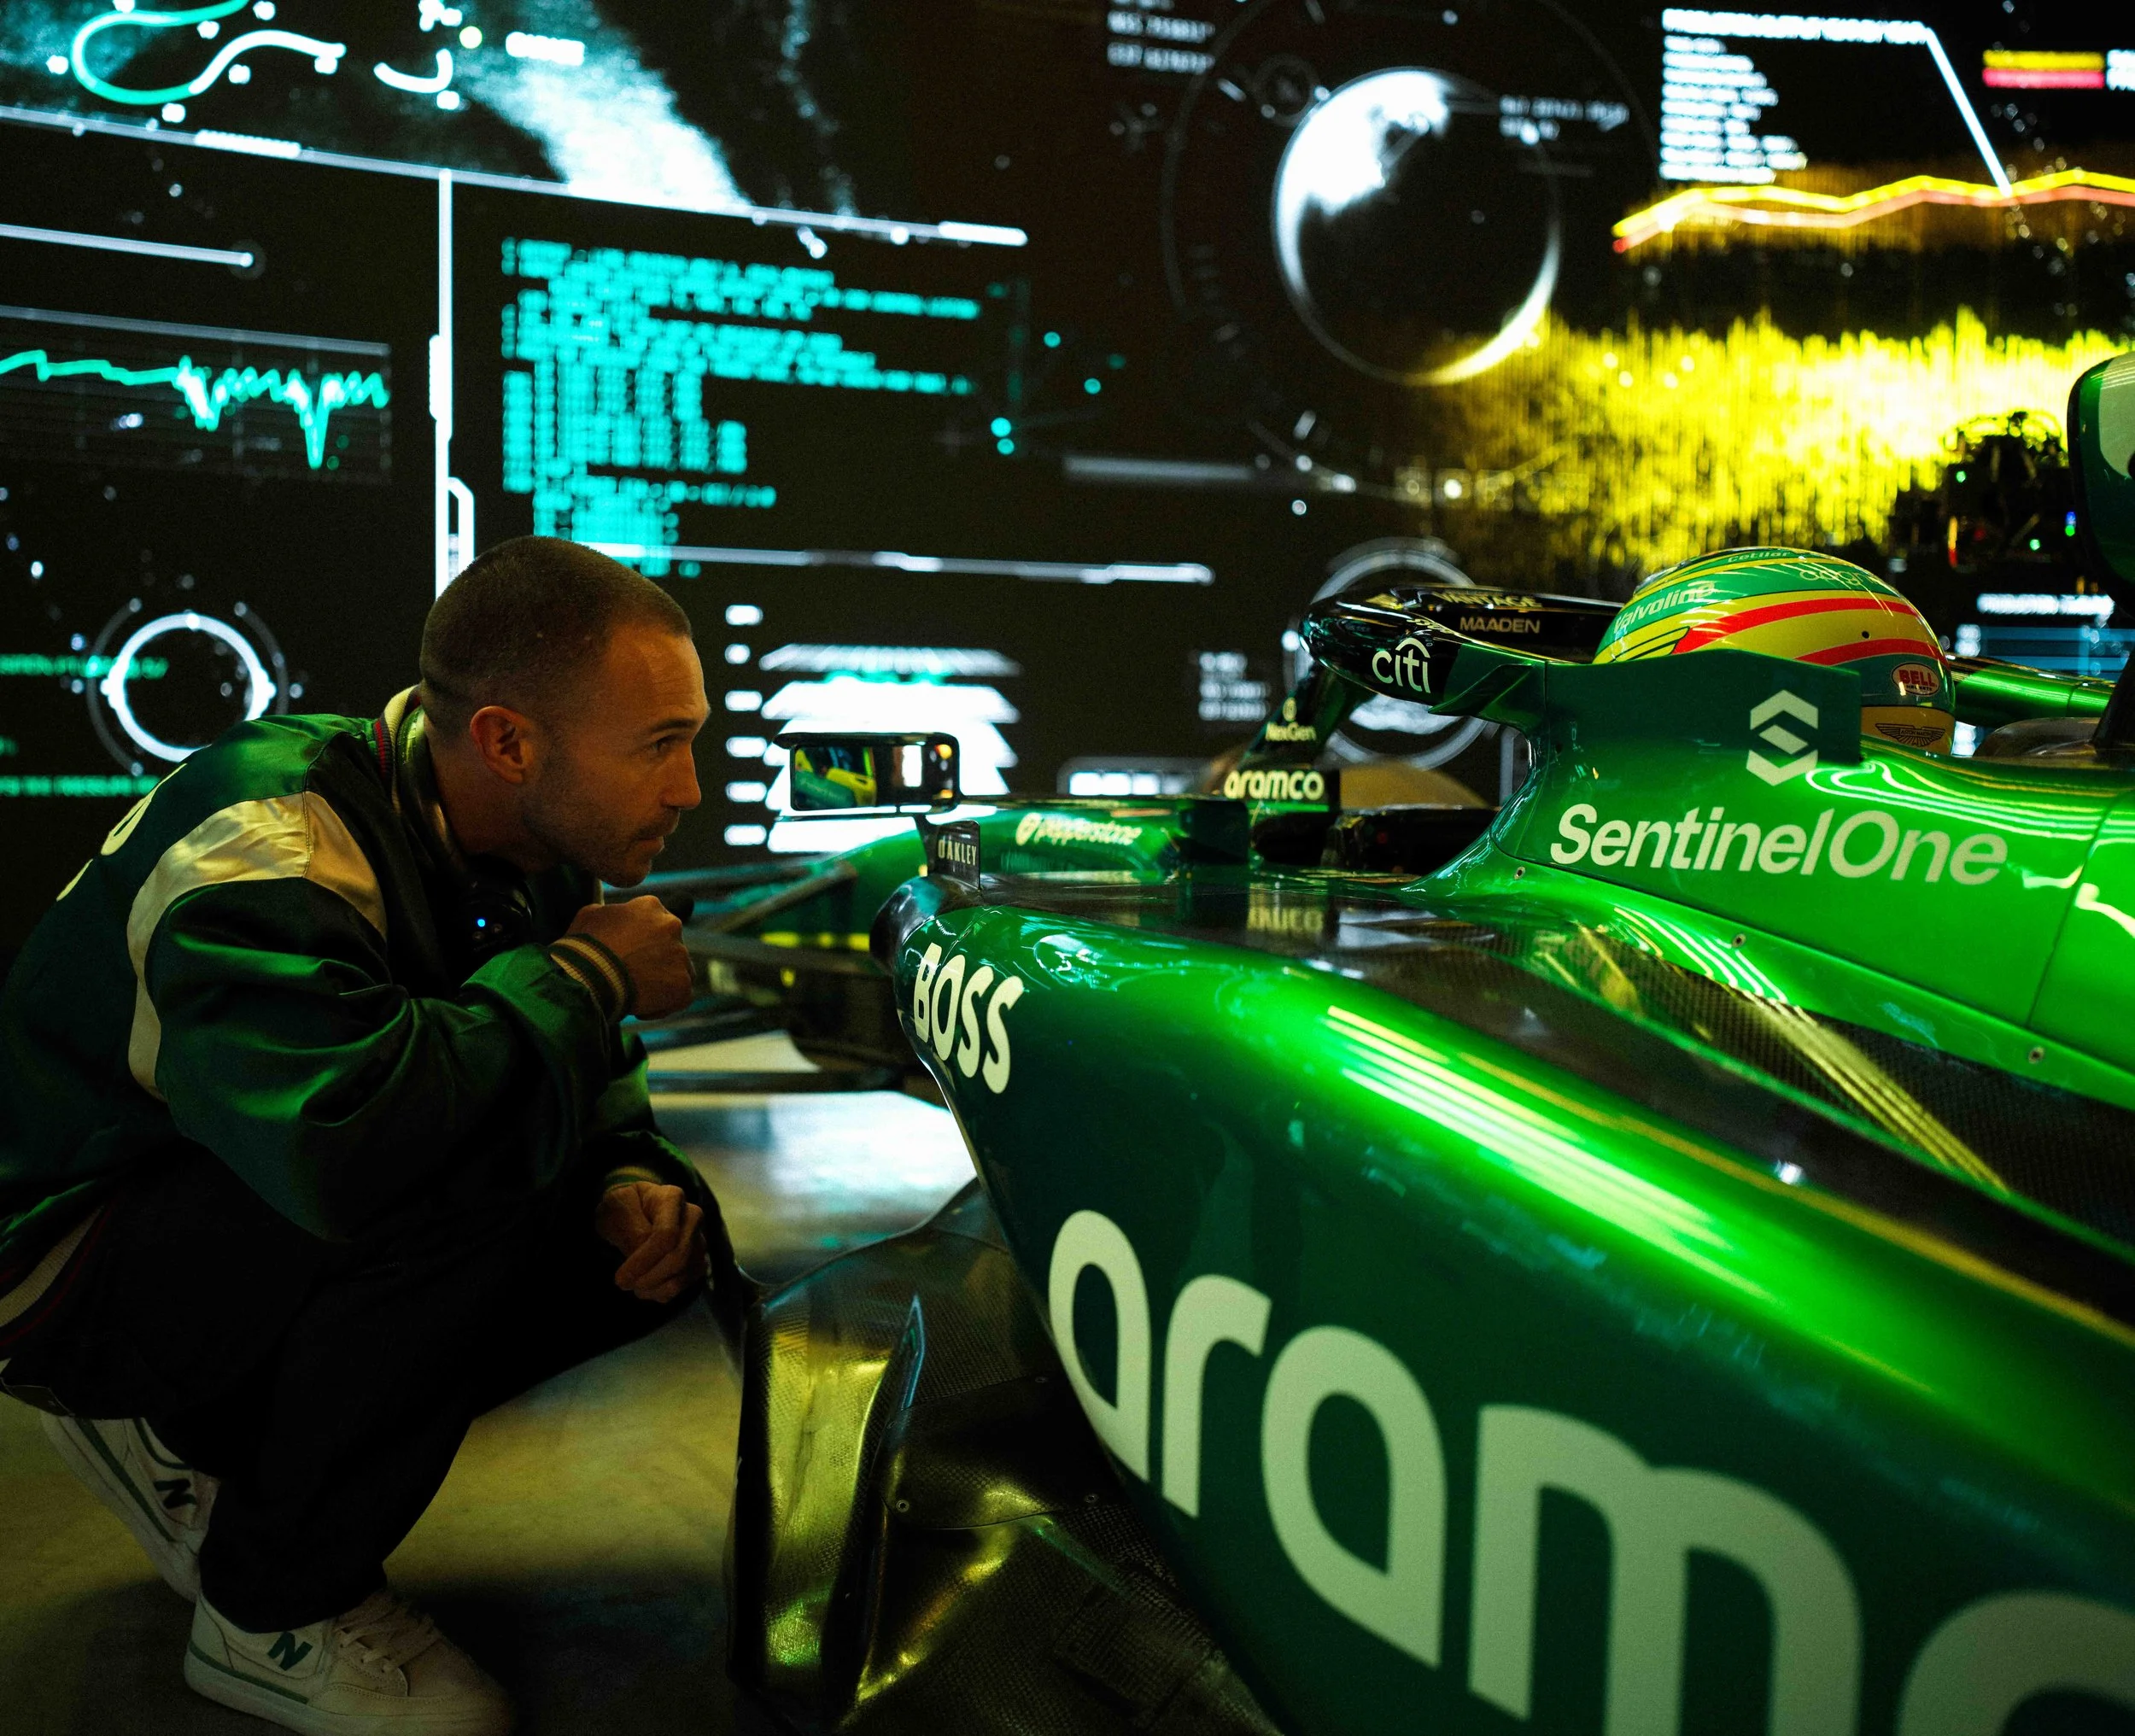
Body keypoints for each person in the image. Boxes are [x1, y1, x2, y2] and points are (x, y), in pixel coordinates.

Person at [0, 536, 740, 1734]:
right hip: (55, 1263)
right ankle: (268, 1612)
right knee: (453, 1175)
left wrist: (628, 1176)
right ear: (508, 741)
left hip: (208, 1208)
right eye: (660, 744)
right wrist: (589, 971)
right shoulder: (273, 837)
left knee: (631, 1253)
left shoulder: (528, 846)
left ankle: (198, 1440)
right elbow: (345, 1148)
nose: (690, 788)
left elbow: (587, 1091)